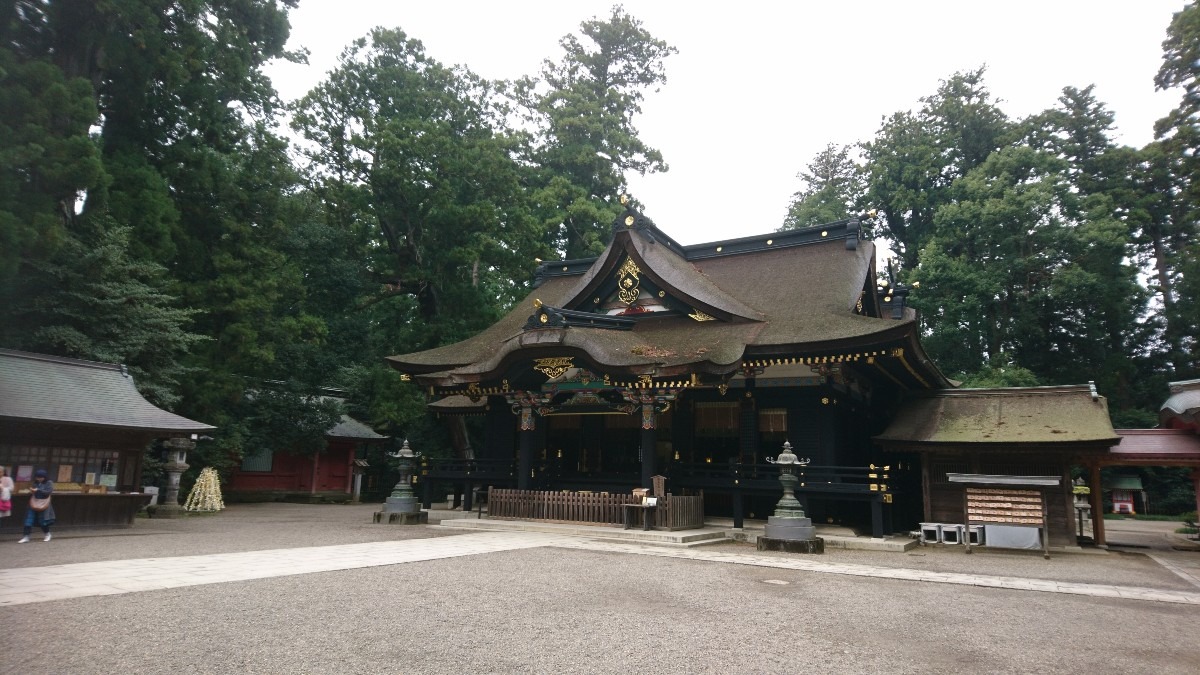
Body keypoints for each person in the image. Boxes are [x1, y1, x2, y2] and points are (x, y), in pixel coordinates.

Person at [18, 468, 54, 543]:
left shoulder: (49, 482)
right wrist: (31, 491)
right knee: (28, 520)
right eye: (37, 477)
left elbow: (48, 492)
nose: (39, 479)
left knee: (43, 520)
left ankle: (47, 534)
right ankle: (26, 536)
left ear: (45, 477)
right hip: (34, 502)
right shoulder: (35, 483)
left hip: (43, 503)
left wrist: (38, 490)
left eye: (41, 477)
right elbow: (33, 491)